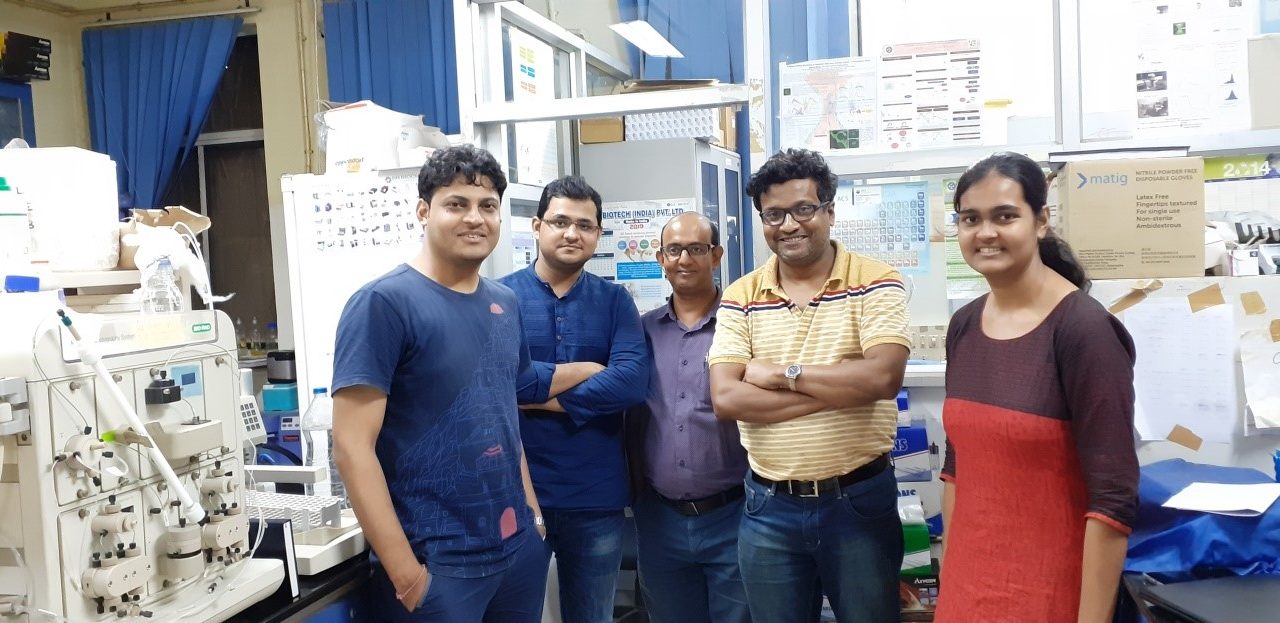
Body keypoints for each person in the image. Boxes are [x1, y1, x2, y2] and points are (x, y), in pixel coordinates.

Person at [331, 145, 549, 622]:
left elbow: (503, 418)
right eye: (457, 204)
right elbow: (350, 448)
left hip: (517, 554)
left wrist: (532, 517)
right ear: (424, 211)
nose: (476, 218)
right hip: (439, 568)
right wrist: (408, 578)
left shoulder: (505, 303)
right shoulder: (383, 304)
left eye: (488, 206)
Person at [708, 148, 911, 623]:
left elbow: (883, 377)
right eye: (774, 214)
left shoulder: (876, 281)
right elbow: (726, 397)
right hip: (768, 508)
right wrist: (841, 388)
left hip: (858, 501)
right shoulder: (741, 294)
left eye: (804, 209)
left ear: (829, 212)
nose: (790, 225)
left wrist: (782, 375)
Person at [937, 152, 1138, 622]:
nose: (986, 233)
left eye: (1005, 216)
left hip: (1053, 592)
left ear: (1041, 220)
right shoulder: (964, 324)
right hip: (968, 589)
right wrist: (951, 579)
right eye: (971, 219)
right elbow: (956, 467)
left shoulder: (1083, 331)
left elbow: (1113, 498)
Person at [499, 175, 649, 623]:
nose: (572, 233)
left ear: (598, 234)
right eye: (560, 221)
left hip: (595, 497)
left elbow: (630, 385)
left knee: (592, 617)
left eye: (585, 225)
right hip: (516, 494)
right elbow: (502, 383)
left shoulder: (615, 302)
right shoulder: (498, 298)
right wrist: (586, 370)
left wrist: (533, 397)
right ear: (536, 226)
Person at [628, 211, 751, 623]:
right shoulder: (640, 332)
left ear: (715, 256)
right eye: (674, 250)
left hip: (734, 516)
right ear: (661, 258)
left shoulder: (743, 326)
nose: (684, 259)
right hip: (660, 521)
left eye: (696, 249)